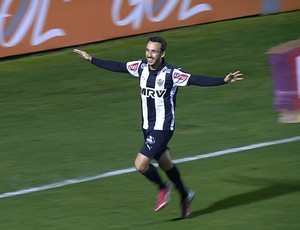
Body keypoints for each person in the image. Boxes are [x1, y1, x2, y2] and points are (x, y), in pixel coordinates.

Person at [74, 36, 243, 219]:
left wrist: (223, 80)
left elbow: (196, 79)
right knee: (165, 164)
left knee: (140, 164)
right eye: (147, 50)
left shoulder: (172, 74)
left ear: (162, 54)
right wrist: (92, 59)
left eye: (154, 51)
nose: (149, 54)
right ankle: (186, 197)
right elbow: (118, 66)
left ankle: (163, 188)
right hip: (147, 126)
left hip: (163, 127)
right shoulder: (140, 68)